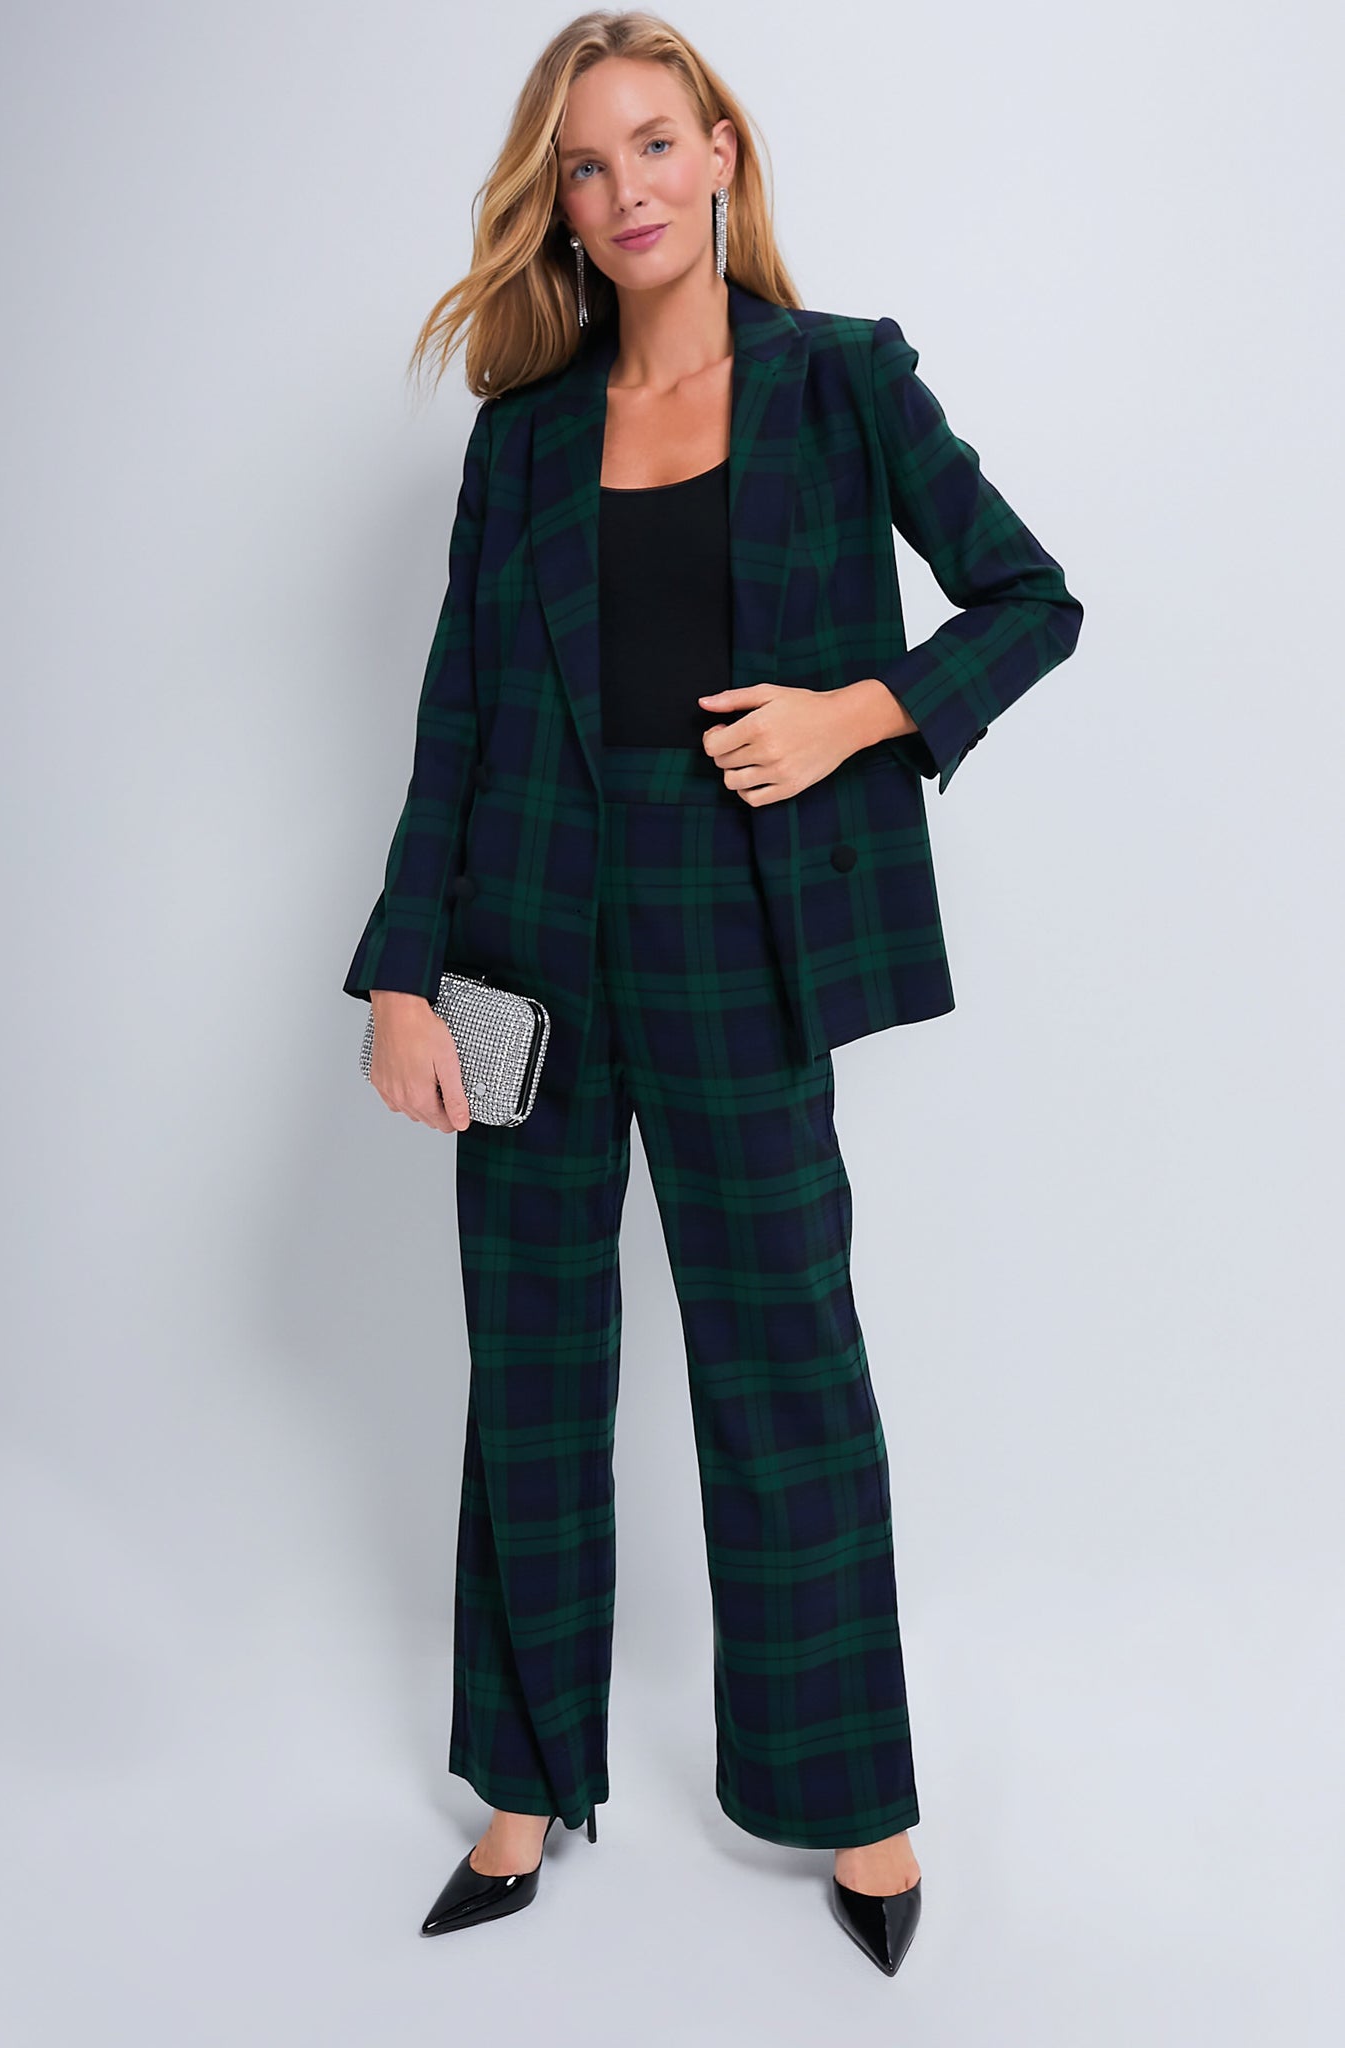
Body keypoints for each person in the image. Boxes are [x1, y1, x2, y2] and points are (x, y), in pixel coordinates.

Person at [343, 9, 1082, 1978]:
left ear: (720, 152)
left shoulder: (841, 381)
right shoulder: (519, 439)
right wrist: (402, 973)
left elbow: (1029, 598)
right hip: (523, 933)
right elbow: (455, 722)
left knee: (783, 1370)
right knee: (531, 1367)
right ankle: (522, 1785)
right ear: (561, 206)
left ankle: (855, 1800)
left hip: (737, 930)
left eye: (654, 144)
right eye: (586, 165)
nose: (626, 189)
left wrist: (858, 713)